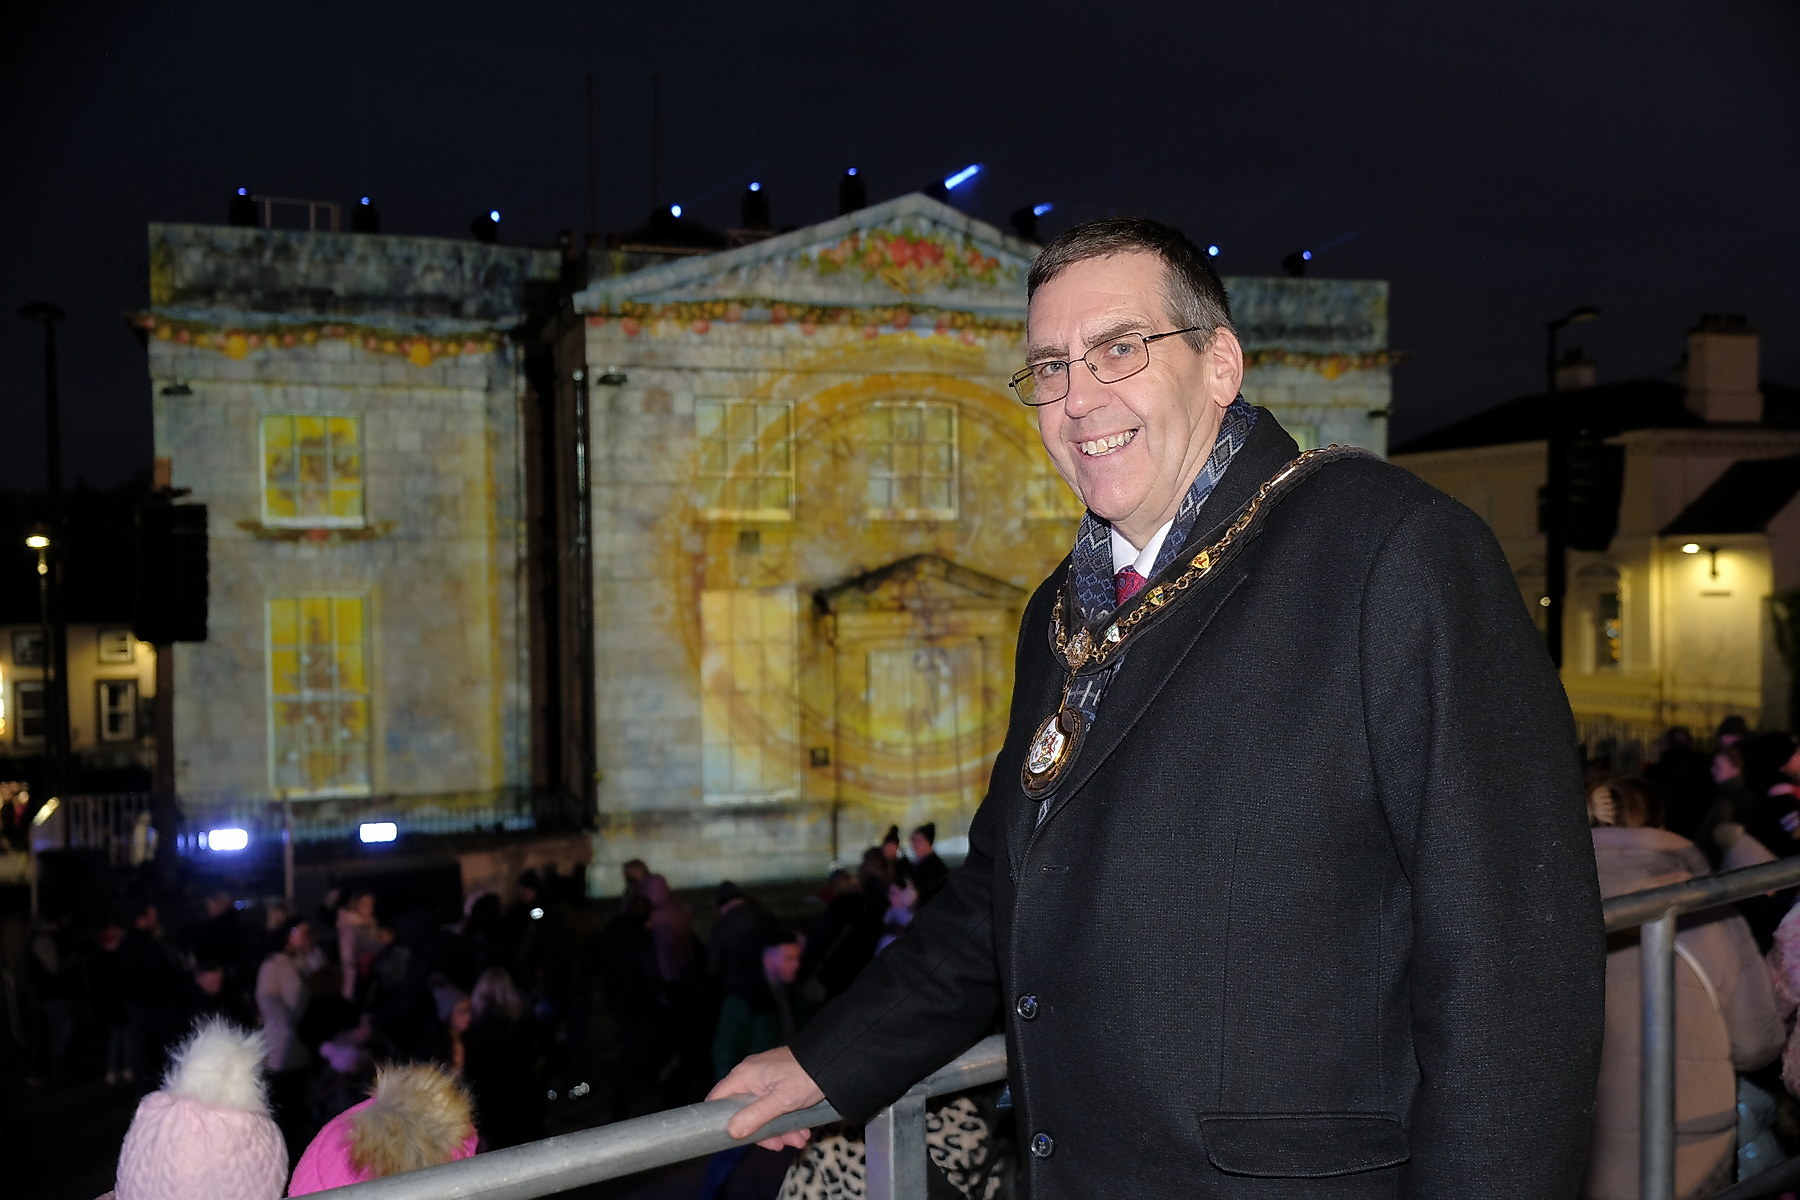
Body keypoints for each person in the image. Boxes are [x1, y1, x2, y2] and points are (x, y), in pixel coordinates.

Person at [711, 216, 1605, 1197]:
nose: (1078, 396)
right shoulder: (1063, 610)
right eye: (1048, 367)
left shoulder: (1389, 553)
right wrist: (829, 1059)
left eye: (1119, 349)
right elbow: (1009, 887)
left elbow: (1514, 983)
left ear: (1220, 364)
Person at [1584, 777, 1782, 1199]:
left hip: (1566, 1146)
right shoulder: (1703, 911)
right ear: (1659, 821)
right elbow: (1756, 1043)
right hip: (1686, 1145)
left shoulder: (1531, 906)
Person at [907, 823, 949, 906]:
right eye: (913, 840)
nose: (914, 844)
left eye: (918, 840)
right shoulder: (913, 865)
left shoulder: (936, 867)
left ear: (929, 842)